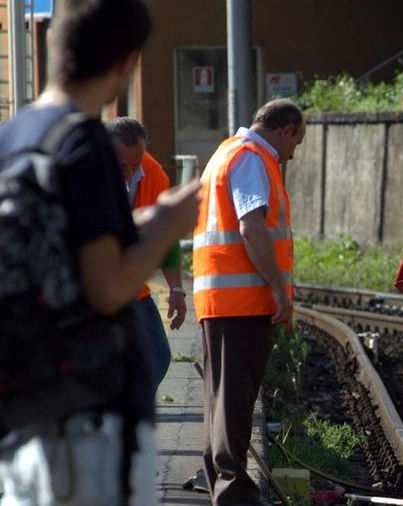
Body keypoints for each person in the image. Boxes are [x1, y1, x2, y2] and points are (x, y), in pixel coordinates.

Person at [0, 1, 201, 505]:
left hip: (25, 403)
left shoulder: (14, 137)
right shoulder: (86, 144)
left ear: (52, 44)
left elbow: (62, 249)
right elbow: (109, 287)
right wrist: (169, 225)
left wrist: (143, 222)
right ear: (127, 61)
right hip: (86, 416)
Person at [192, 98, 305, 506]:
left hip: (223, 298)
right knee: (234, 401)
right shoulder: (253, 157)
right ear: (286, 129)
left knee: (223, 399)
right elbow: (250, 226)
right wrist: (278, 289)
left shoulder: (225, 153)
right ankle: (234, 492)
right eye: (296, 143)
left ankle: (223, 482)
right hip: (241, 301)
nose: (292, 154)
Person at [107, 117, 187, 392]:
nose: (130, 171)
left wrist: (176, 288)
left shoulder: (153, 174)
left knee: (157, 355)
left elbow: (166, 235)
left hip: (132, 290)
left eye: (136, 163)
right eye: (122, 165)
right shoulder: (82, 173)